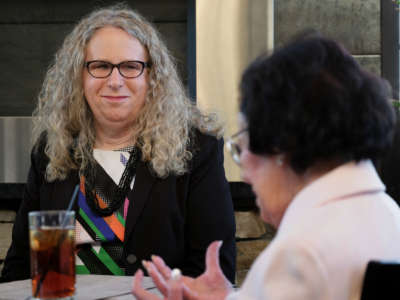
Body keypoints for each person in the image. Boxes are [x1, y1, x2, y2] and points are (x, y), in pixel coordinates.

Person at [132, 34, 400, 300]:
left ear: (283, 146)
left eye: (245, 144)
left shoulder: (300, 253)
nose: (245, 168)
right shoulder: (389, 214)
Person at [0, 4, 236, 283]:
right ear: (79, 77)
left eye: (130, 67)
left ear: (152, 77)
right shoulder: (53, 149)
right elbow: (20, 270)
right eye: (100, 66)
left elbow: (212, 277)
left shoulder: (196, 151)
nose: (115, 81)